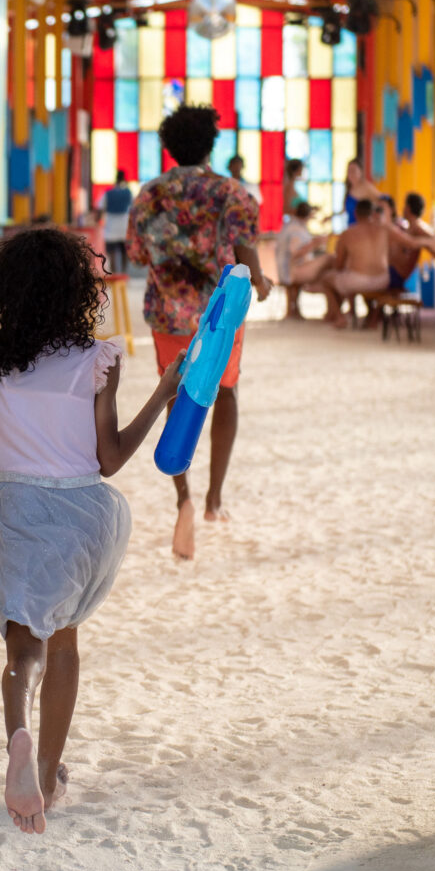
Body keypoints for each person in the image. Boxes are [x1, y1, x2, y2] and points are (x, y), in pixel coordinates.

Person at [0, 227, 183, 835]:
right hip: (82, 513)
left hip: (14, 508)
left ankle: (18, 736)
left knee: (24, 646)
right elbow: (109, 459)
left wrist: (15, 449)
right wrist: (163, 394)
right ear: (78, 292)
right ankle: (48, 776)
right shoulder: (97, 360)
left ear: (7, 290)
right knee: (66, 643)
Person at [127, 104, 273, 559]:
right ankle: (214, 501)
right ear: (212, 144)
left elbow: (137, 254)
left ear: (169, 147)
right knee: (225, 392)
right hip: (220, 315)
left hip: (168, 313)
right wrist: (261, 282)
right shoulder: (232, 193)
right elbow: (246, 254)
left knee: (176, 396)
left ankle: (183, 498)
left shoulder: (149, 195)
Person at [324, 198, 435, 327]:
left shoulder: (348, 233)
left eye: (382, 208)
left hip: (362, 280)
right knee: (362, 280)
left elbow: (339, 266)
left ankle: (340, 317)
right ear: (373, 213)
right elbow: (412, 242)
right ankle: (366, 316)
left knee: (327, 280)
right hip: (382, 279)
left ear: (355, 214)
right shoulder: (387, 228)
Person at [275, 200, 332, 319]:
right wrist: (314, 244)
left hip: (289, 267)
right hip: (291, 269)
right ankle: (292, 311)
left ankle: (292, 311)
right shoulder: (296, 229)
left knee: (294, 287)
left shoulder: (292, 226)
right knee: (329, 259)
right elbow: (295, 254)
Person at [101, 171, 133, 274]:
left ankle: (115, 274)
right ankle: (123, 273)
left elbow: (100, 207)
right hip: (124, 226)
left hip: (111, 227)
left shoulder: (108, 193)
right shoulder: (128, 192)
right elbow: (134, 207)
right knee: (124, 252)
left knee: (112, 253)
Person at [342, 158, 379, 225]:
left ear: (361, 172)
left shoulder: (367, 187)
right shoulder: (349, 188)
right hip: (351, 227)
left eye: (353, 171)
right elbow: (344, 210)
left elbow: (382, 202)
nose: (351, 173)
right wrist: (331, 217)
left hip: (364, 228)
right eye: (349, 171)